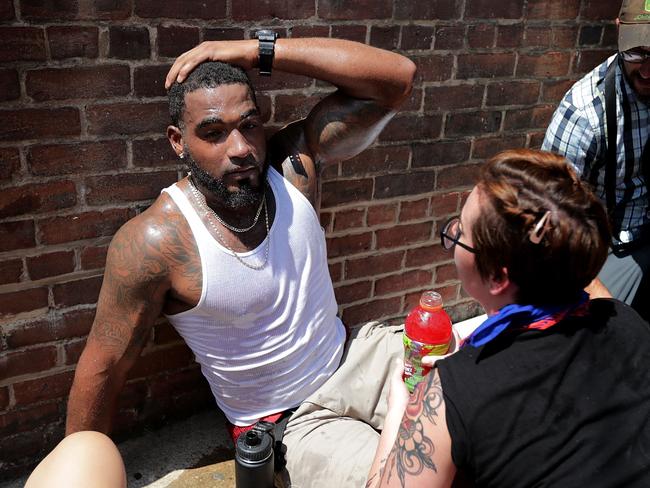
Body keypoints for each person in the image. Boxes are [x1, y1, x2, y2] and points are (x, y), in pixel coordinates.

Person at [64, 35, 416, 487]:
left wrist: (257, 50)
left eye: (248, 125)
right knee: (409, 477)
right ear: (178, 141)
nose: (240, 148)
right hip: (292, 420)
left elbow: (397, 80)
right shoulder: (158, 242)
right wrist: (74, 469)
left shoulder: (292, 166)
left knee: (479, 405)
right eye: (213, 133)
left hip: (356, 354)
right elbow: (104, 367)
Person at [367, 149, 650, 487]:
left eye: (461, 234)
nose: (454, 236)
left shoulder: (450, 393)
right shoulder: (627, 321)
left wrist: (401, 412)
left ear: (498, 279)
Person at [542, 0, 650, 320]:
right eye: (636, 52)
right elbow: (546, 221)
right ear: (618, 31)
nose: (647, 70)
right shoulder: (585, 113)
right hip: (609, 250)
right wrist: (599, 299)